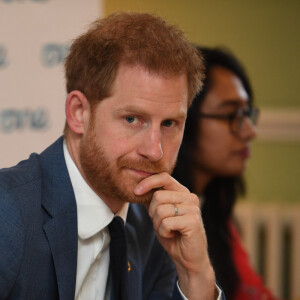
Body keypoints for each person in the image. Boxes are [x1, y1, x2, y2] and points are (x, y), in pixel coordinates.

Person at [0, 13, 225, 300]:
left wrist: (196, 274)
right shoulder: (8, 213)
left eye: (169, 124)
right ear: (79, 113)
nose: (155, 150)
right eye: (132, 119)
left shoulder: (157, 228)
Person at [172, 47, 278, 300]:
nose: (250, 131)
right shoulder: (163, 222)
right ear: (185, 120)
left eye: (247, 113)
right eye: (232, 114)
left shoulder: (217, 213)